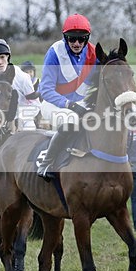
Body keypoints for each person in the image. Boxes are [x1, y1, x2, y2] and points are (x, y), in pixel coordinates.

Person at [37, 13, 100, 181]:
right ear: (65, 37)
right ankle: (46, 163)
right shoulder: (55, 52)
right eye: (72, 39)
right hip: (54, 104)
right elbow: (45, 90)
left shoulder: (94, 53)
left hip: (81, 103)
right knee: (70, 121)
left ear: (87, 38)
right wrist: (69, 105)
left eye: (81, 39)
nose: (77, 43)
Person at [0, 38, 40, 132]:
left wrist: (18, 118)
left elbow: (36, 104)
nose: (0, 62)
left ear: (8, 57)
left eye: (2, 57)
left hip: (23, 120)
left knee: (29, 133)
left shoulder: (22, 77)